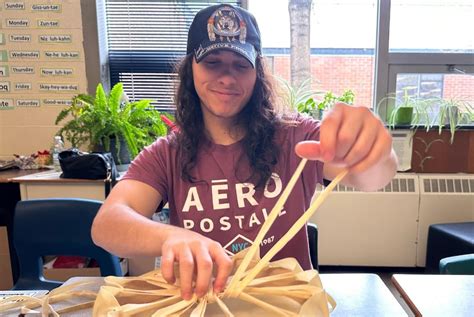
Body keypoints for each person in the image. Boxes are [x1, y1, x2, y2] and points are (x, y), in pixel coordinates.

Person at [92, 3, 397, 301]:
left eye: (241, 65)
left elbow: (373, 176)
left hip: (287, 306)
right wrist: (171, 236)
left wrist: (372, 151)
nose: (227, 77)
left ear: (257, 74)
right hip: (204, 304)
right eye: (213, 63)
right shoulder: (168, 153)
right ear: (190, 69)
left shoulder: (295, 136)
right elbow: (107, 224)